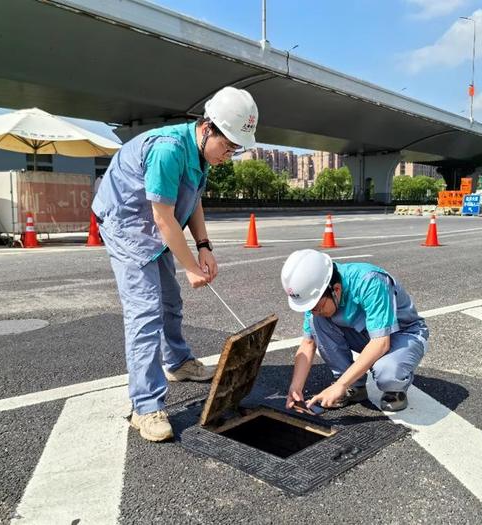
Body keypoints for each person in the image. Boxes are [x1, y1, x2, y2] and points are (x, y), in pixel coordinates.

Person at [92, 87, 258, 442]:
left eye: (235, 149)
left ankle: (178, 362)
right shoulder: (168, 150)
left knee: (170, 300)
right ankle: (146, 406)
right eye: (228, 146)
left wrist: (203, 246)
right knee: (145, 310)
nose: (229, 155)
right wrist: (192, 268)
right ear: (208, 128)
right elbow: (163, 218)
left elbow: (193, 200)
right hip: (127, 224)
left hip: (155, 224)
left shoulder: (202, 155)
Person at [280, 249, 429, 412]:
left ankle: (396, 389)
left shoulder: (370, 281)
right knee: (317, 322)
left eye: (317, 307)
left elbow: (381, 343)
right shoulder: (318, 292)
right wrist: (295, 388)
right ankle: (354, 387)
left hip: (402, 334)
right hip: (367, 334)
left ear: (335, 290)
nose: (313, 311)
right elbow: (308, 343)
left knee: (387, 374)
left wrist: (340, 384)